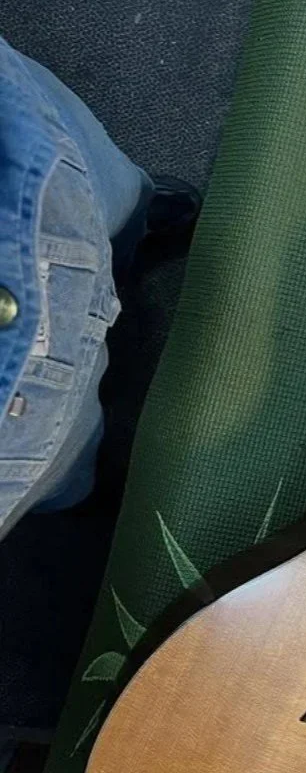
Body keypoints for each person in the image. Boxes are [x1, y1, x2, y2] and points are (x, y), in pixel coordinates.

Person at [0, 38, 153, 540]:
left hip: (38, 155)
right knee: (70, 466)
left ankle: (144, 226)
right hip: (17, 426)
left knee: (122, 191)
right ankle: (84, 491)